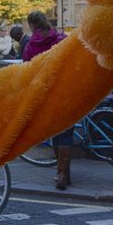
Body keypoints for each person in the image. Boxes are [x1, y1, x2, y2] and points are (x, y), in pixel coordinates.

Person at [22, 10, 73, 190]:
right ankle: (63, 173)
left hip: (46, 93)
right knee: (66, 134)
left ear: (32, 25)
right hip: (66, 90)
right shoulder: (61, 39)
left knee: (55, 132)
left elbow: (28, 71)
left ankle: (61, 173)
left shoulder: (30, 46)